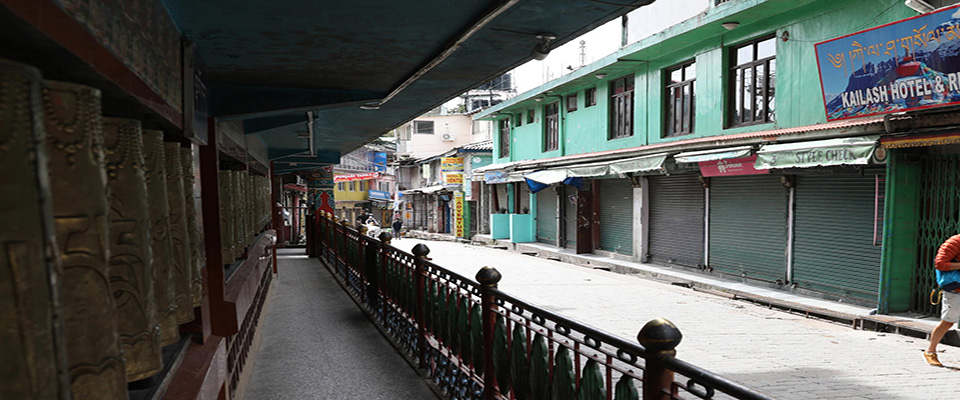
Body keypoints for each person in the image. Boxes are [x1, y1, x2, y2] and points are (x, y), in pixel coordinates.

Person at [925, 233, 960, 366]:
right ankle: (930, 351)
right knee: (947, 323)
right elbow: (940, 264)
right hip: (956, 290)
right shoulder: (955, 241)